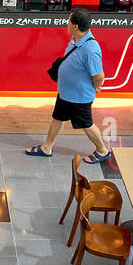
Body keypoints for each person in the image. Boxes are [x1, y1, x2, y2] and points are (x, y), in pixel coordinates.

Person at [26, 9, 112, 164]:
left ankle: (102, 150)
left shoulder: (91, 49)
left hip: (79, 97)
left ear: (76, 26)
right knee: (57, 118)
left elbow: (99, 75)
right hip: (66, 93)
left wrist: (95, 86)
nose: (66, 23)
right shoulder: (76, 39)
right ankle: (47, 147)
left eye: (68, 21)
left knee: (86, 124)